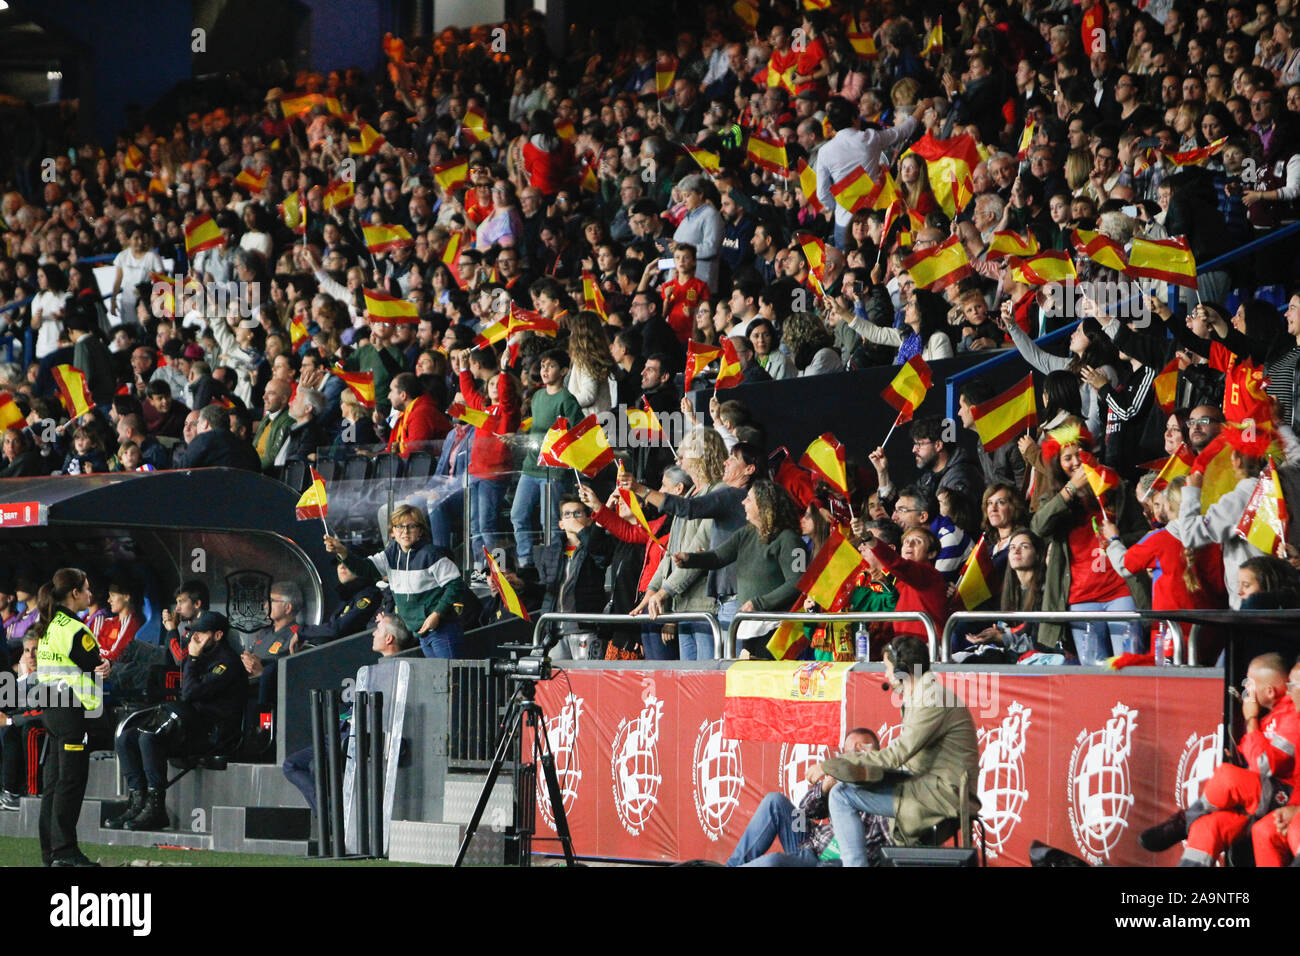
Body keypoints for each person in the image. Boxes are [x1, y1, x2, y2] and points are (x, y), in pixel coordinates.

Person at [814, 636, 979, 867]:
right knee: (844, 790)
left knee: (841, 794)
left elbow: (895, 755)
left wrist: (831, 764)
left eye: (887, 668)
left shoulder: (931, 698)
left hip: (942, 794)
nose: (885, 675)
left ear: (902, 669)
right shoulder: (923, 694)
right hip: (929, 786)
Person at [1140, 653, 1300, 865]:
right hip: (1258, 799)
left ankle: (1185, 819)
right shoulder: (1269, 715)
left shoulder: (1291, 715)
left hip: (1282, 795)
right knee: (1206, 827)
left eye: (1249, 685)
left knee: (1227, 777)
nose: (1246, 692)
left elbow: (1265, 765)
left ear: (1269, 691)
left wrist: (1250, 719)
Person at [106, 611, 245, 832]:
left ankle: (155, 808)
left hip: (213, 732)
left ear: (218, 635)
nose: (194, 638)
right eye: (193, 632)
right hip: (191, 724)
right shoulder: (201, 655)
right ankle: (137, 801)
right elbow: (184, 680)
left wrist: (193, 657)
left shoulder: (227, 662)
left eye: (201, 633)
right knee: (127, 738)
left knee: (149, 739)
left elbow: (189, 692)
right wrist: (192, 656)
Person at [281, 612, 414, 814]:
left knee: (316, 765)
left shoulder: (401, 670)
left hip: (361, 737)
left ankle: (331, 817)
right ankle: (329, 812)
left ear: (389, 639)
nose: (373, 634)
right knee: (291, 764)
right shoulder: (373, 669)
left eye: (378, 630)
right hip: (341, 732)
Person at [726, 728, 891, 866]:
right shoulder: (841, 780)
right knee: (775, 801)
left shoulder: (885, 792)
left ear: (877, 753)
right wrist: (825, 788)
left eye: (862, 750)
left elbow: (894, 843)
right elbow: (804, 810)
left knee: (773, 862)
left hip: (824, 861)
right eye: (850, 752)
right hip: (808, 841)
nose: (856, 756)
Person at [34, 568, 110, 867]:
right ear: (75, 593)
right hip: (72, 710)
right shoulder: (75, 629)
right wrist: (106, 666)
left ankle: (50, 853)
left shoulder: (50, 625)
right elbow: (96, 664)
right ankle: (65, 853)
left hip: (52, 708)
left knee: (53, 783)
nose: (91, 595)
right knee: (71, 781)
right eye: (87, 589)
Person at [326, 505, 470, 658]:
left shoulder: (432, 554)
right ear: (392, 532)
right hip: (421, 632)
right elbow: (365, 569)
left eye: (411, 526)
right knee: (439, 678)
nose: (405, 532)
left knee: (450, 678)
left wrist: (436, 614)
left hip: (442, 629)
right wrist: (342, 551)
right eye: (399, 526)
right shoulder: (391, 554)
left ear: (420, 531)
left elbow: (456, 584)